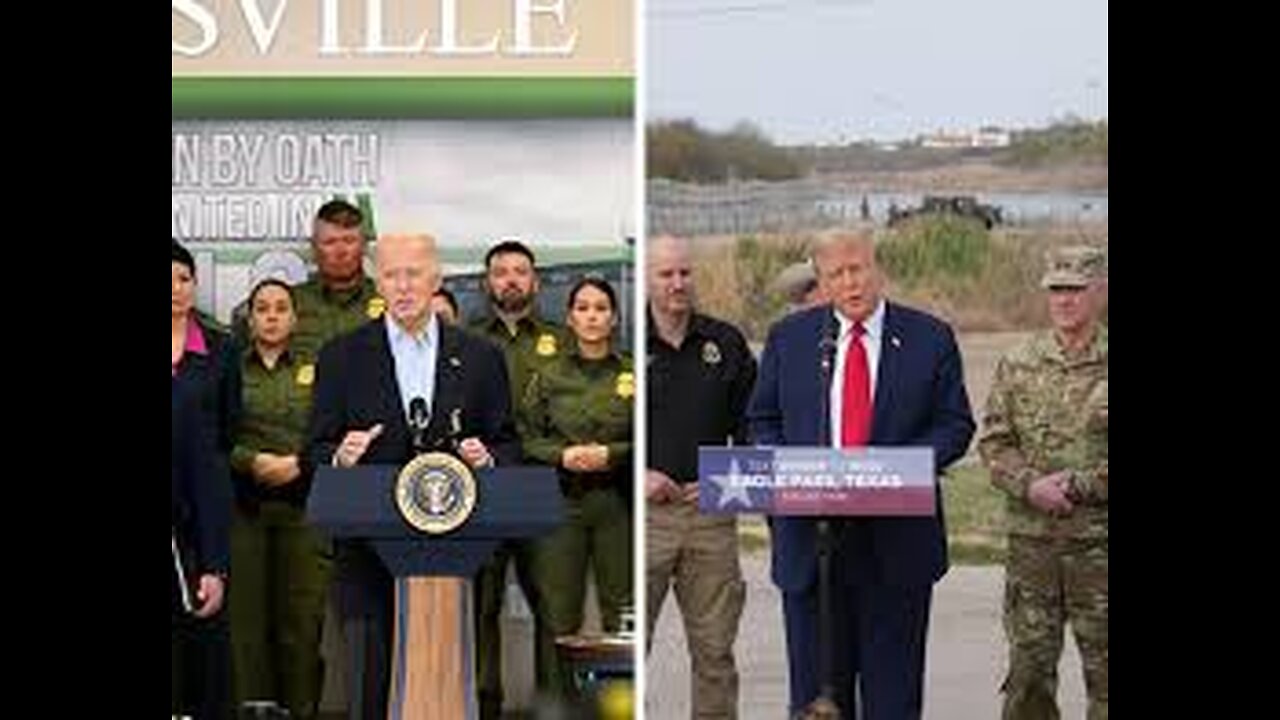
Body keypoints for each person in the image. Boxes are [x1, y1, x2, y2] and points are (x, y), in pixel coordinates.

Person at [748, 228, 975, 719]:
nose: (850, 283)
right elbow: (761, 421)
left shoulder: (929, 337)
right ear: (822, 281)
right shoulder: (791, 339)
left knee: (893, 703)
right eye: (837, 274)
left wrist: (899, 471)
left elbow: (954, 425)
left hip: (896, 553)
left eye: (858, 269)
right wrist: (792, 469)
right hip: (811, 549)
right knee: (816, 704)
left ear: (878, 269)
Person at [306, 233, 519, 719]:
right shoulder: (342, 356)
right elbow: (313, 450)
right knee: (369, 680)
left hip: (455, 551)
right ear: (377, 281)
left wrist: (487, 459)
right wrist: (340, 457)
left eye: (413, 274)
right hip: (367, 550)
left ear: (437, 279)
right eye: (390, 275)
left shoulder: (481, 357)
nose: (402, 287)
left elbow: (508, 444)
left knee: (448, 678)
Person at [977, 245, 1108, 720]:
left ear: (1100, 291)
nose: (1064, 300)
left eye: (1075, 289)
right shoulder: (1019, 362)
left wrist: (1081, 485)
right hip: (1033, 549)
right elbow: (994, 442)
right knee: (1029, 679)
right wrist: (1029, 484)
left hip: (1100, 551)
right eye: (1056, 290)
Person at [645, 234, 757, 719]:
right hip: (645, 517)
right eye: (665, 274)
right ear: (648, 279)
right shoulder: (629, 345)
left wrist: (725, 480)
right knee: (631, 652)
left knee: (714, 655)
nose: (677, 283)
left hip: (711, 513)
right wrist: (639, 473)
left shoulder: (725, 343)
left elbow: (756, 426)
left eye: (684, 273)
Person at [466, 239, 568, 715]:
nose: (510, 279)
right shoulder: (464, 341)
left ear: (535, 280)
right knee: (479, 606)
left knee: (551, 605)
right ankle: (483, 705)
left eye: (520, 271)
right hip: (481, 491)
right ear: (488, 282)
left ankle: (554, 706)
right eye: (501, 271)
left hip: (542, 487)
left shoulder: (561, 340)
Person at [522, 277, 634, 694]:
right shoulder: (548, 376)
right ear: (569, 318)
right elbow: (527, 438)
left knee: (622, 613)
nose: (592, 316)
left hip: (616, 506)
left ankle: (619, 705)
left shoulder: (632, 374)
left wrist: (614, 454)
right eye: (583, 308)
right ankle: (556, 706)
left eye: (601, 308)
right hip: (561, 506)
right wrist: (561, 456)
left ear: (614, 318)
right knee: (557, 616)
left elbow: (648, 438)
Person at [227, 279, 330, 720]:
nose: (271, 315)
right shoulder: (227, 368)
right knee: (244, 625)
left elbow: (332, 432)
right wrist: (251, 460)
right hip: (243, 509)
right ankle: (249, 711)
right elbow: (210, 434)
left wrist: (300, 463)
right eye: (262, 308)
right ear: (249, 319)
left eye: (281, 308)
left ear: (295, 317)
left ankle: (300, 710)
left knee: (302, 623)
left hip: (305, 507)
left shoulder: (320, 369)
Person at [172, 237, 236, 720]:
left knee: (202, 648)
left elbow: (223, 440)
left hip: (196, 524)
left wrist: (215, 561)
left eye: (183, 278)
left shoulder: (220, 350)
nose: (175, 289)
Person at [235, 199, 381, 359]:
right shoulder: (287, 304)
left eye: (349, 241)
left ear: (364, 246)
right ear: (314, 247)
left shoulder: (389, 304)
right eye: (329, 242)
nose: (340, 251)